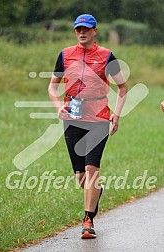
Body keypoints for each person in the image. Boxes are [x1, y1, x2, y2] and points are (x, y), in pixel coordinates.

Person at [48, 14, 128, 239]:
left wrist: (117, 114)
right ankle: (97, 192)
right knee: (81, 176)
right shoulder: (65, 55)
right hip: (73, 118)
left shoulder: (106, 56)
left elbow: (122, 87)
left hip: (99, 118)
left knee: (92, 170)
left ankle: (88, 221)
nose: (81, 33)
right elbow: (52, 88)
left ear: (95, 31)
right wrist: (57, 107)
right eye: (78, 29)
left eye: (86, 29)